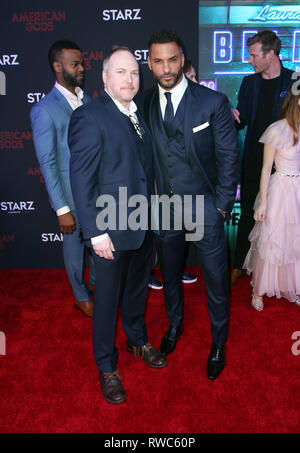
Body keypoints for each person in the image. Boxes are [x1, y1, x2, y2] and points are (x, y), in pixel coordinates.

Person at [68, 46, 167, 405]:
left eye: (134, 73)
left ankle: (137, 340)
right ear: (105, 77)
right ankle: (106, 366)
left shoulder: (138, 114)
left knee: (137, 290)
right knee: (107, 302)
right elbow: (81, 179)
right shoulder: (90, 116)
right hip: (108, 229)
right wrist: (95, 231)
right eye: (121, 73)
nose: (130, 79)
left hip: (142, 224)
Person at [142, 29, 239, 380]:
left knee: (215, 279)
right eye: (158, 61)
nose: (166, 67)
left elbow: (229, 157)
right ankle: (174, 324)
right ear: (149, 63)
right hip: (164, 208)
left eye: (172, 59)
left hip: (205, 208)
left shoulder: (211, 102)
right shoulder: (145, 103)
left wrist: (222, 207)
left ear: (182, 59)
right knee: (169, 275)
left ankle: (218, 342)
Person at [30, 40, 95, 317]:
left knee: (97, 243)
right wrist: (61, 208)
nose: (81, 68)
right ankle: (80, 297)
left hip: (95, 190)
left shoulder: (87, 99)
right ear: (58, 67)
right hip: (70, 195)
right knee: (74, 247)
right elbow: (48, 162)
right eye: (74, 64)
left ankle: (93, 286)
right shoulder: (44, 110)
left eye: (81, 63)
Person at [231, 31, 294, 285]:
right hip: (255, 158)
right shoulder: (249, 82)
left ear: (270, 54)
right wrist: (233, 117)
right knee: (248, 211)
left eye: (254, 54)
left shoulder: (295, 79)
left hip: (285, 161)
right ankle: (238, 266)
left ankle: (279, 274)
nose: (250, 60)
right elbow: (242, 118)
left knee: (283, 218)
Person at [243, 86, 300, 310]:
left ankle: (293, 287)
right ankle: (258, 291)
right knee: (272, 240)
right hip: (280, 190)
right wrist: (264, 202)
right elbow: (266, 169)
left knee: (295, 240)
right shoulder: (276, 130)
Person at [148, 57, 199, 291]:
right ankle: (150, 272)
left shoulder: (200, 106)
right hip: (159, 189)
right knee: (158, 236)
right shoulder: (151, 104)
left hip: (188, 190)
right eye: (192, 78)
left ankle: (176, 270)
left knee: (180, 236)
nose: (196, 82)